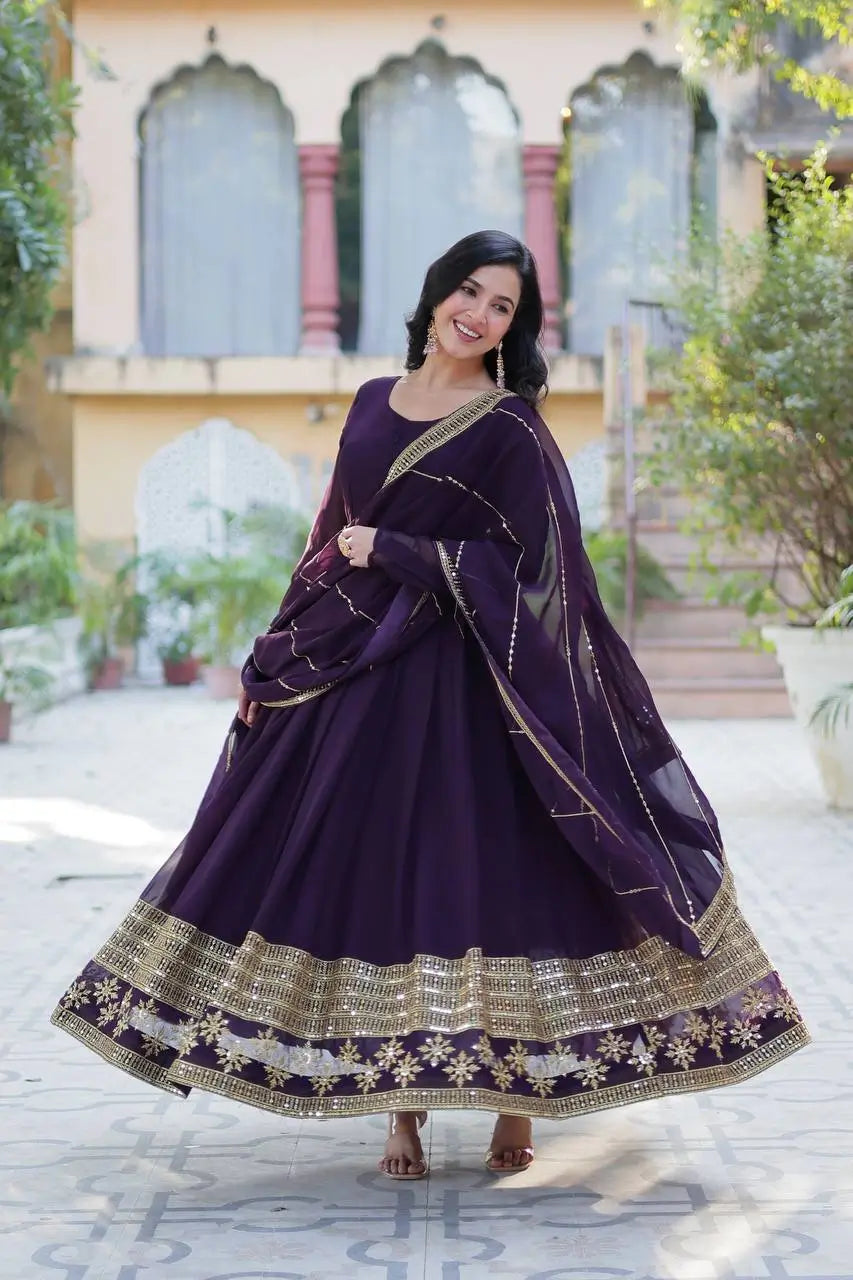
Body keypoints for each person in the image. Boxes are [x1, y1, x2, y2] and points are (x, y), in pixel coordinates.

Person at [52, 230, 808, 1181]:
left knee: (496, 879)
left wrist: (404, 552)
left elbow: (540, 569)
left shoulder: (510, 427)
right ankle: (398, 1110)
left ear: (513, 327)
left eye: (502, 307)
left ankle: (514, 1100)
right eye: (470, 292)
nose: (479, 315)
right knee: (383, 877)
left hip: (478, 687)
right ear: (437, 293)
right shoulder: (373, 400)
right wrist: (272, 656)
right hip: (361, 673)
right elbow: (328, 536)